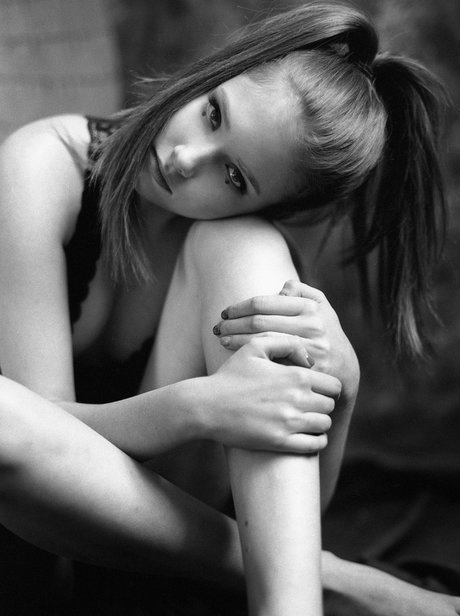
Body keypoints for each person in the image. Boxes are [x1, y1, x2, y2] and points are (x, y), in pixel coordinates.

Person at [0, 2, 448, 614]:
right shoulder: (41, 164)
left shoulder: (240, 250)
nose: (185, 159)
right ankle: (341, 581)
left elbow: (291, 523)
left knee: (244, 250)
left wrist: (339, 393)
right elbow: (32, 437)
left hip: (148, 571)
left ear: (276, 205)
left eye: (234, 177)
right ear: (218, 70)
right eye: (213, 113)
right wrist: (200, 408)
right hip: (26, 544)